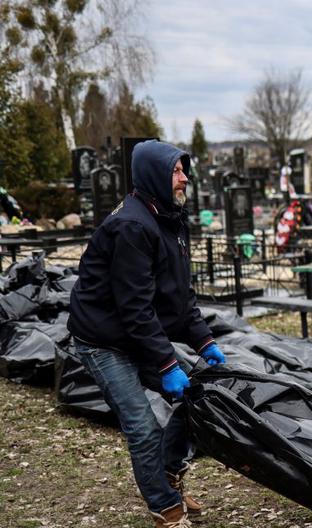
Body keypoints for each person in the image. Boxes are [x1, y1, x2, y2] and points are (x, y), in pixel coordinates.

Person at [68, 140, 227, 528]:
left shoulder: (170, 218)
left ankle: (168, 476)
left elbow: (180, 295)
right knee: (142, 427)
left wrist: (205, 341)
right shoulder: (131, 226)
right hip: (103, 340)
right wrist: (168, 362)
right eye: (176, 170)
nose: (184, 177)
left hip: (135, 333)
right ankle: (166, 510)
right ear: (155, 174)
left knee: (197, 400)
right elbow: (134, 308)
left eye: (183, 169)